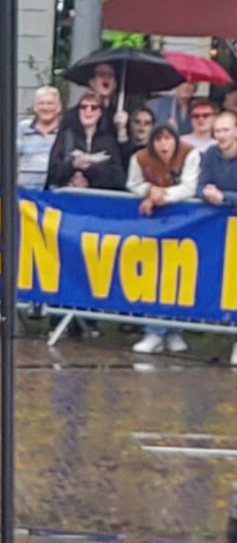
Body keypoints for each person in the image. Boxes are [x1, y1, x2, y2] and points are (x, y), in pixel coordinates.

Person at [126, 124, 201, 354]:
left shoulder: (190, 153)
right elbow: (132, 184)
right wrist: (150, 190)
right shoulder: (139, 157)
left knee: (179, 277)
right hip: (152, 224)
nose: (163, 144)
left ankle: (174, 330)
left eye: (167, 139)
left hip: (183, 222)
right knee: (152, 276)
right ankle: (154, 331)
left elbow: (190, 187)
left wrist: (162, 197)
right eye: (158, 140)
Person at [198, 111, 237, 366]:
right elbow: (200, 185)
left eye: (226, 130)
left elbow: (223, 194)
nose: (221, 135)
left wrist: (224, 198)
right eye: (218, 131)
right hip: (219, 229)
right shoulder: (211, 153)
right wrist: (207, 193)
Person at [46, 91, 126, 191]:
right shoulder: (66, 136)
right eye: (83, 107)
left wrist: (88, 172)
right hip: (69, 197)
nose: (88, 111)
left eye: (94, 107)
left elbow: (118, 177)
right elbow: (53, 171)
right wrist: (73, 166)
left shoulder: (109, 140)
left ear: (100, 112)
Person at [17, 85, 62, 189]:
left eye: (50, 103)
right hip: (25, 192)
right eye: (41, 103)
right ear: (35, 107)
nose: (45, 108)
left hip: (54, 193)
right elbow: (13, 158)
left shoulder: (65, 129)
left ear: (59, 107)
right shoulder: (23, 128)